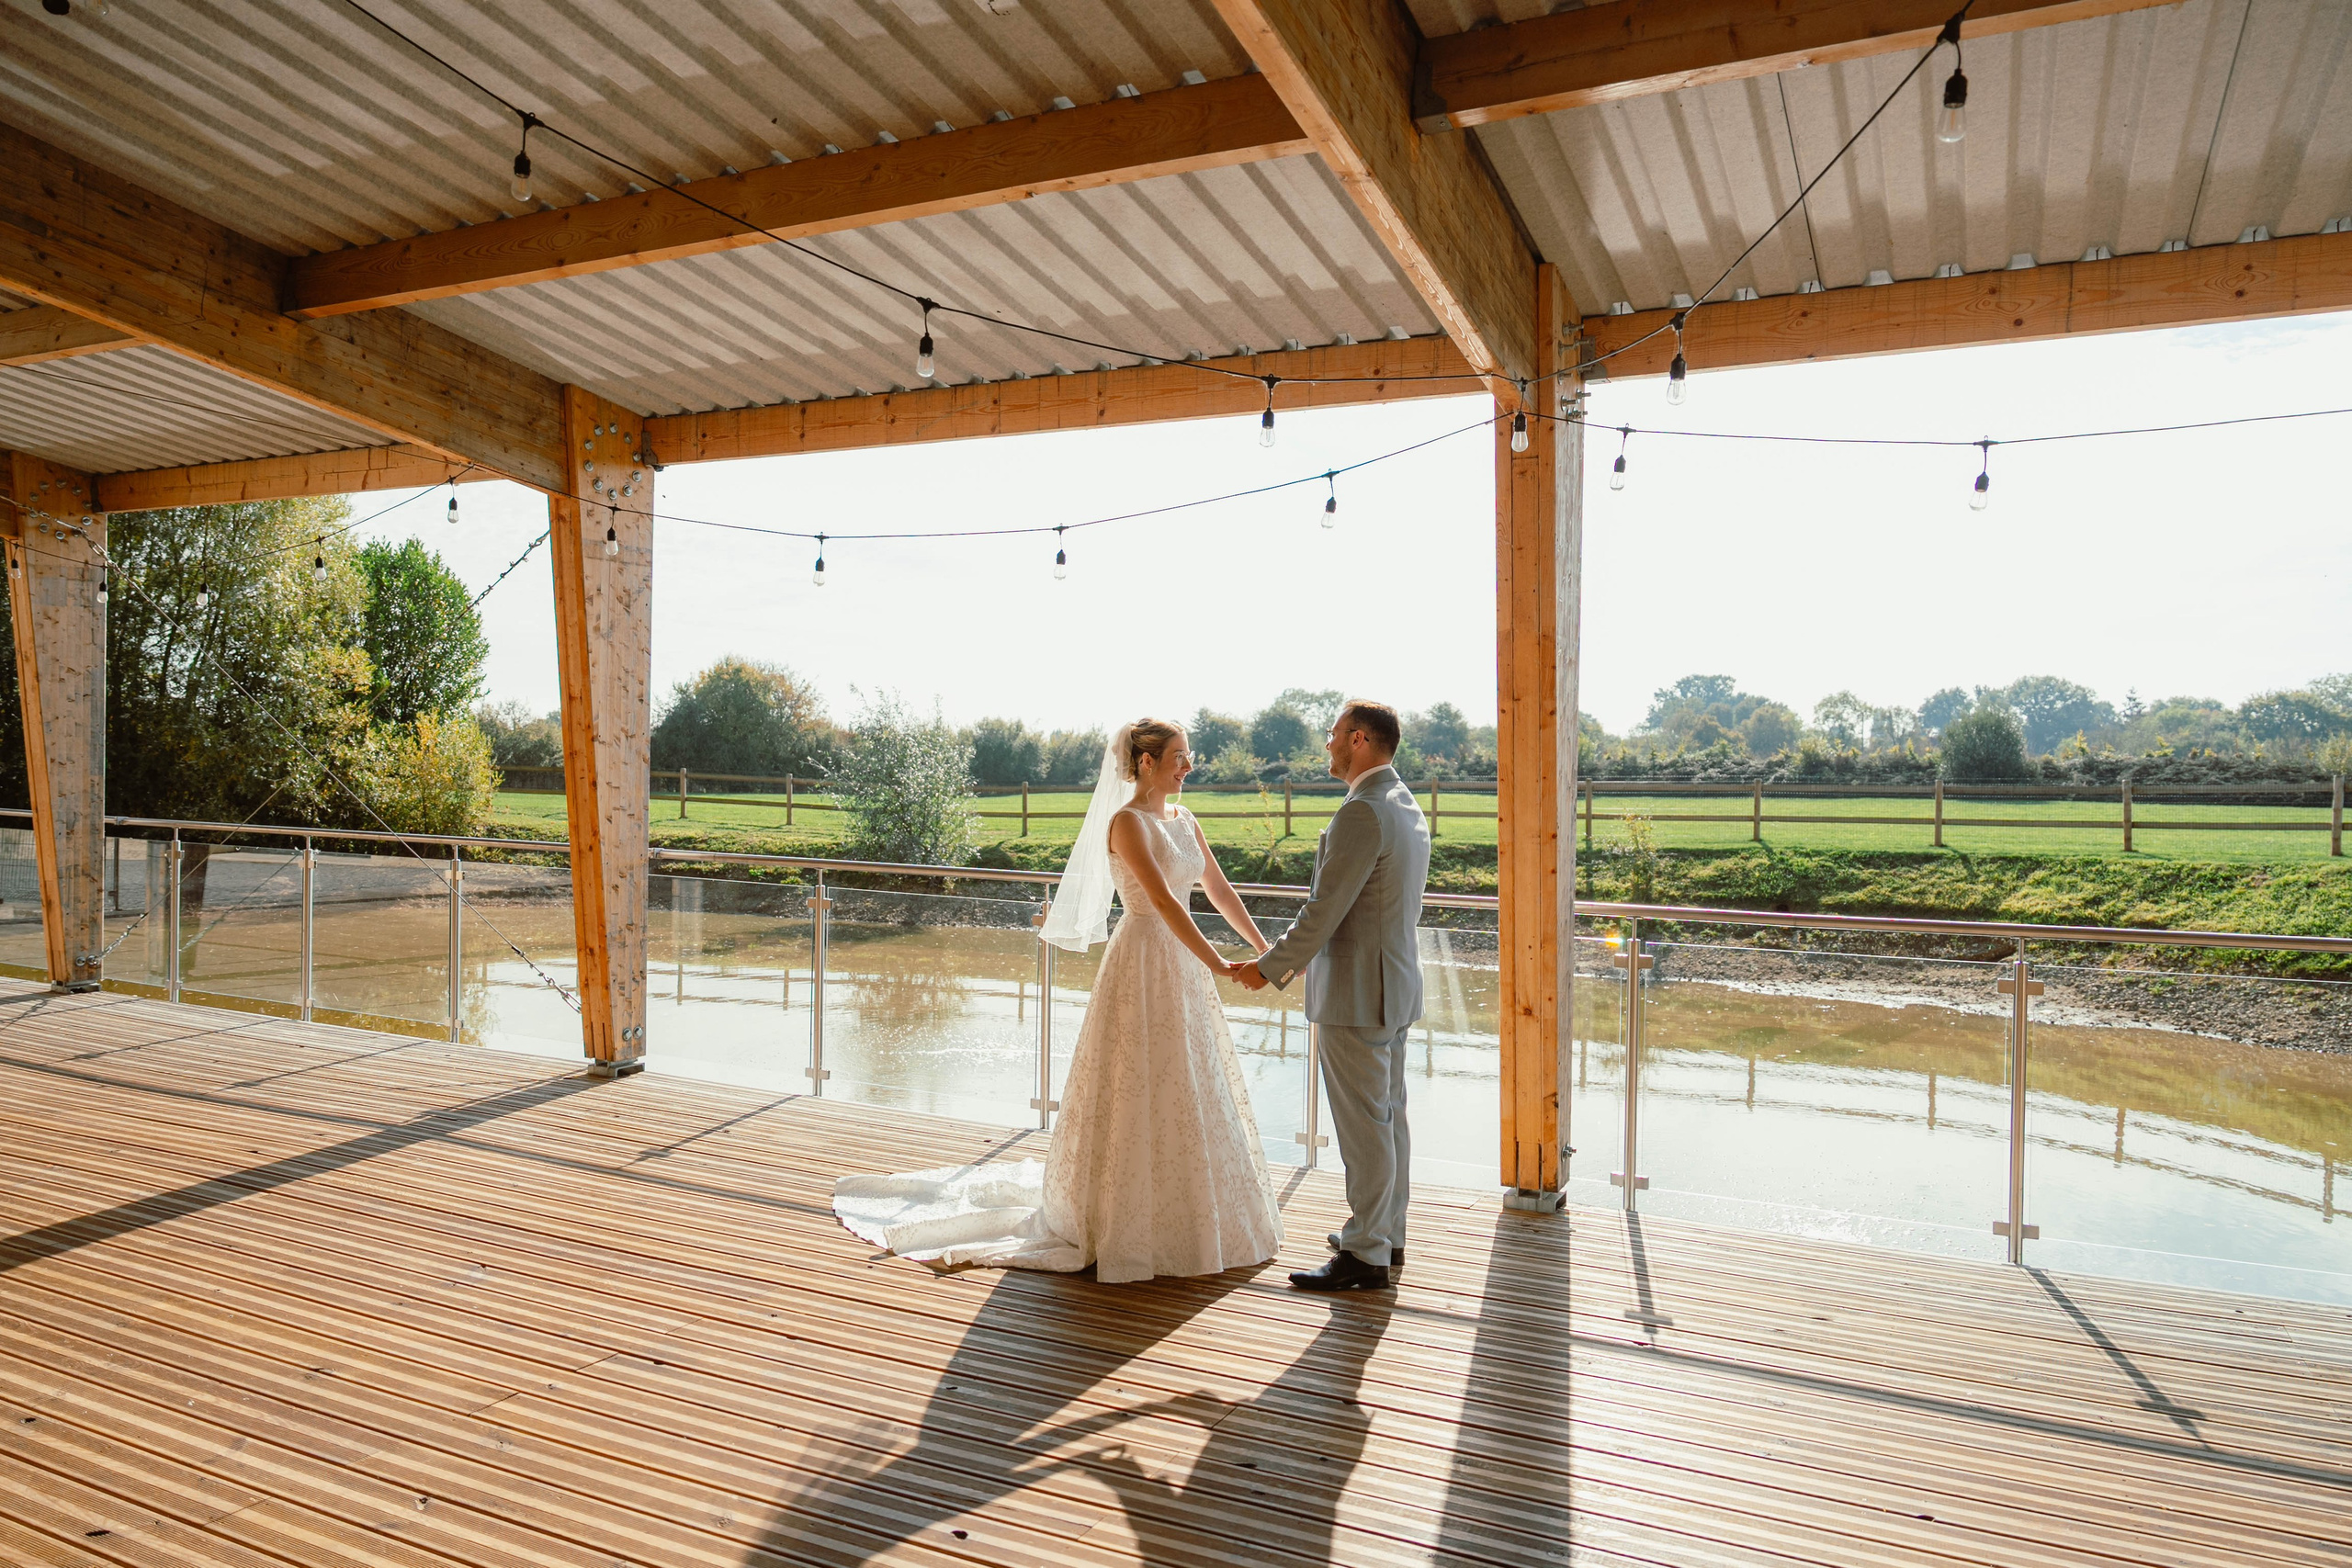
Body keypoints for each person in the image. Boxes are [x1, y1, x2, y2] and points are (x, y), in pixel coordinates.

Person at [833, 719, 1283, 1282]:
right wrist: (1218, 962)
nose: (1188, 766)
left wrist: (1266, 951)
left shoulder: (1184, 819)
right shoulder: (1126, 823)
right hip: (1144, 956)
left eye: (1188, 756)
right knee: (1135, 1079)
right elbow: (1167, 904)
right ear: (1145, 763)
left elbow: (1217, 890)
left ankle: (1188, 1213)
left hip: (1180, 969)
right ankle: (1121, 1216)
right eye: (1179, 756)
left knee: (1186, 1079)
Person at [1235, 699, 1429, 1292]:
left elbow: (1324, 911)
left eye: (1334, 733)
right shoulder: (1404, 803)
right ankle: (1384, 1234)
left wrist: (1269, 968)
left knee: (1365, 1128)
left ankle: (1366, 1252)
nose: (1327, 744)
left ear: (1361, 739)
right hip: (1392, 987)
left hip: (1355, 992)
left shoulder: (1363, 811)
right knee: (1387, 1118)